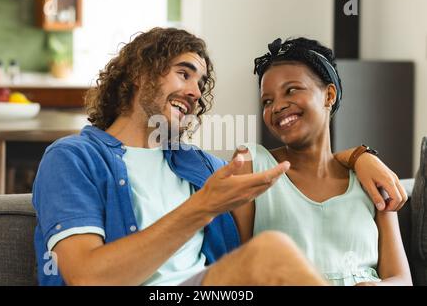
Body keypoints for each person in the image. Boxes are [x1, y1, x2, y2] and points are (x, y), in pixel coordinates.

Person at [32, 27, 406, 286]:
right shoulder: (74, 158)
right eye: (184, 74)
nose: (195, 92)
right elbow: (86, 277)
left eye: (201, 83)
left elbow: (306, 162)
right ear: (137, 74)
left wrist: (360, 156)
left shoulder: (198, 166)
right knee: (270, 253)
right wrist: (203, 207)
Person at [231, 37, 412, 285]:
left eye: (291, 90)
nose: (277, 106)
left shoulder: (369, 180)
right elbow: (233, 271)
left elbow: (401, 279)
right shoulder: (252, 165)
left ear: (329, 95)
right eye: (267, 101)